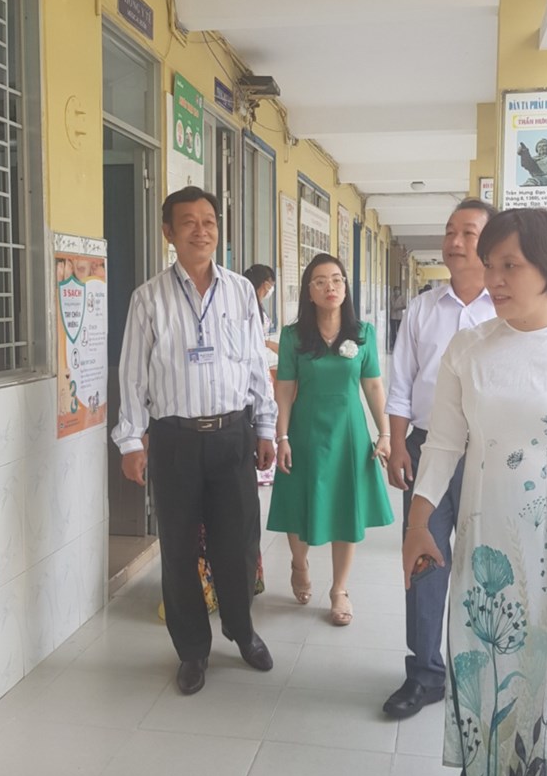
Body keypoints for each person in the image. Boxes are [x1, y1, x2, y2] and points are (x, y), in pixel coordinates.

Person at [403, 208, 547, 776]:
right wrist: (418, 522)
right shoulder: (468, 348)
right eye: (490, 264)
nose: (493, 279)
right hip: (485, 542)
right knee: (488, 665)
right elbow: (444, 443)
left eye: (510, 266)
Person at [112, 185, 277, 696]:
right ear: (169, 232)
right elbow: (132, 374)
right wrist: (130, 441)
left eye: (209, 221)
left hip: (232, 435)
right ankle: (192, 650)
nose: (201, 231)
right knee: (179, 547)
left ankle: (241, 630)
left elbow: (255, 363)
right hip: (174, 440)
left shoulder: (241, 292)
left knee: (239, 542)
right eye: (189, 222)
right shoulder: (148, 298)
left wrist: (265, 426)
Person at [382, 199, 498, 720]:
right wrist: (397, 445)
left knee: (486, 562)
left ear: (490, 243)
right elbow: (401, 384)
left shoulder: (506, 306)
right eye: (450, 231)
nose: (454, 241)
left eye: (468, 233)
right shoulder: (424, 309)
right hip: (428, 448)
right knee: (424, 559)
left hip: (490, 454)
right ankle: (425, 674)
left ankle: (481, 671)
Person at [267, 254, 394, 626]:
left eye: (337, 279)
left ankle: (339, 590)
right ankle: (299, 563)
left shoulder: (362, 333)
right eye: (320, 281)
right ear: (309, 291)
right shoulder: (293, 336)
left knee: (346, 508)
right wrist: (282, 436)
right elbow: (285, 388)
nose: (330, 287)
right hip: (305, 429)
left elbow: (373, 386)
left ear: (345, 287)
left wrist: (385, 433)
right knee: (298, 501)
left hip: (349, 432)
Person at [243, 263, 279, 487]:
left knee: (266, 409)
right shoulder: (248, 303)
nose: (271, 289)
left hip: (262, 363)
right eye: (271, 285)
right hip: (255, 365)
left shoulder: (258, 304)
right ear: (265, 283)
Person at [389, 286, 406, 351]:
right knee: (393, 331)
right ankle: (394, 344)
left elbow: (405, 306)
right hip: (392, 316)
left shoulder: (402, 298)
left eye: (398, 290)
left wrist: (398, 308)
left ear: (399, 291)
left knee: (399, 331)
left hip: (399, 317)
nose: (396, 291)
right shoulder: (391, 297)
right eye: (395, 290)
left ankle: (399, 344)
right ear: (394, 291)